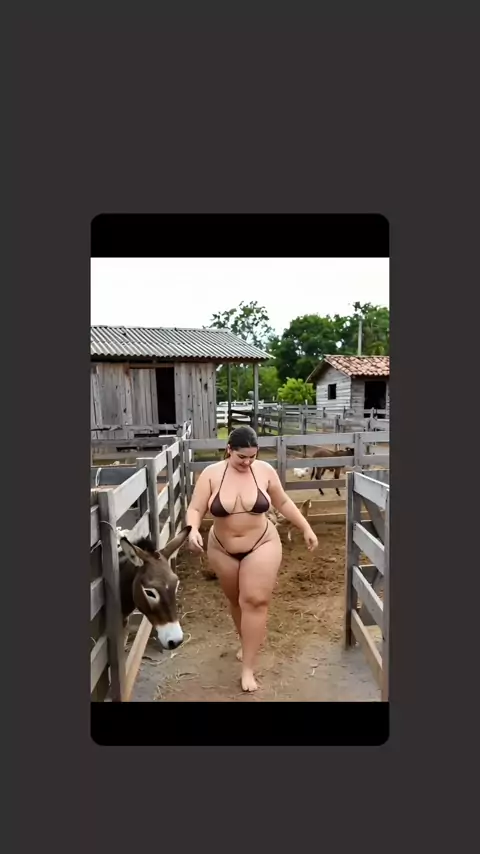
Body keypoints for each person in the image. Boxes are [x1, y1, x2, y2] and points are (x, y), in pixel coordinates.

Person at [185, 425, 318, 692]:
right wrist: (192, 530)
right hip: (221, 548)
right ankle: (246, 639)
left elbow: (283, 502)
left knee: (254, 601)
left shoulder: (264, 471)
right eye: (241, 457)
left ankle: (248, 668)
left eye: (252, 457)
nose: (247, 462)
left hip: (262, 544)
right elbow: (196, 508)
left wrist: (305, 527)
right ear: (229, 450)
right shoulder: (211, 474)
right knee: (236, 600)